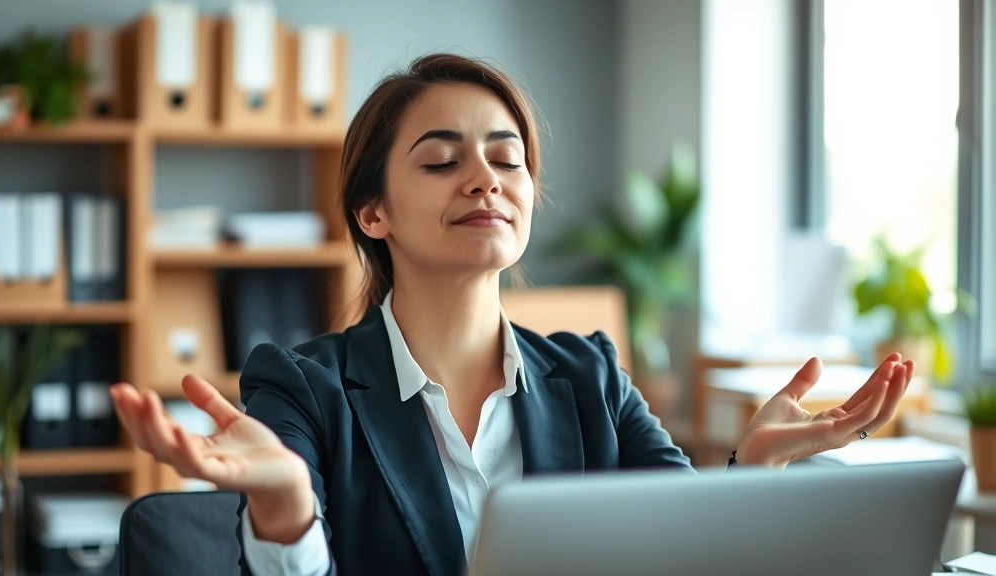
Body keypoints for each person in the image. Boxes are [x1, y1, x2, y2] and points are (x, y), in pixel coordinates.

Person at [110, 53, 916, 576]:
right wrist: (284, 500)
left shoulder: (592, 375)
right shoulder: (301, 386)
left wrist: (754, 474)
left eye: (507, 158)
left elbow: (684, 552)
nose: (486, 179)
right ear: (372, 214)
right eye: (440, 160)